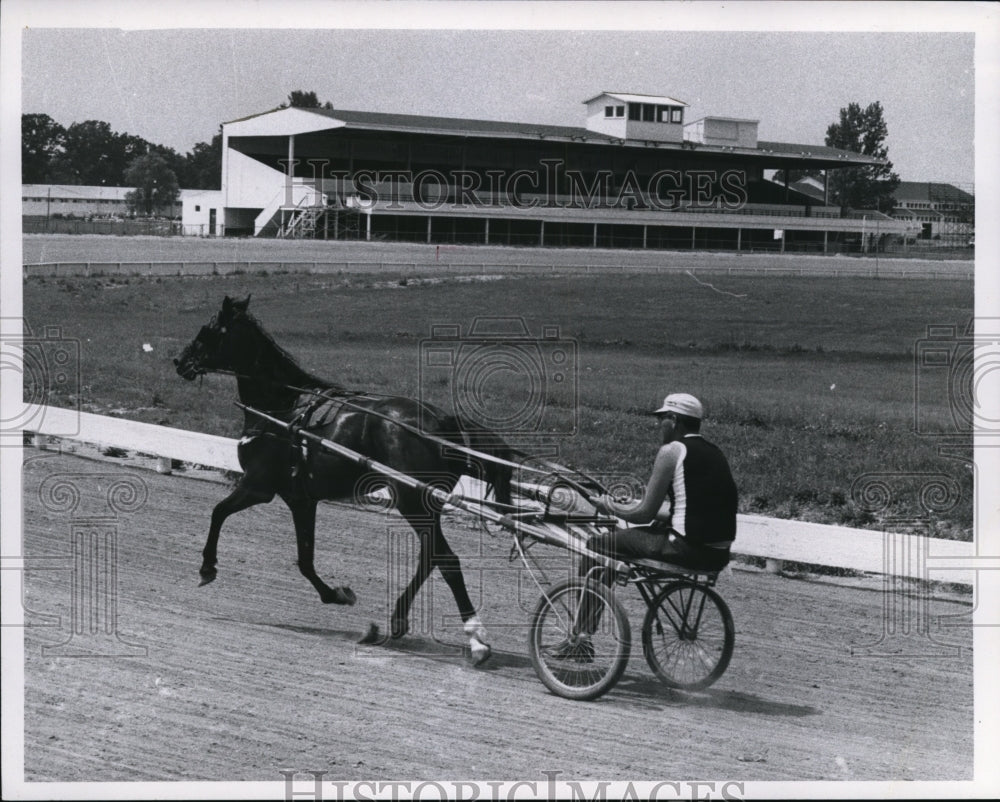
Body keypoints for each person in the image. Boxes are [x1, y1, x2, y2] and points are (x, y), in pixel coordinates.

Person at [587, 392, 738, 572]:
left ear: (673, 419)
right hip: (717, 556)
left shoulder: (671, 451)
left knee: (599, 542)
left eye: (661, 418)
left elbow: (644, 515)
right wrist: (630, 505)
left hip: (684, 549)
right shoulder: (714, 452)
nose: (659, 424)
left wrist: (610, 506)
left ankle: (588, 599)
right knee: (643, 532)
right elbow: (693, 511)